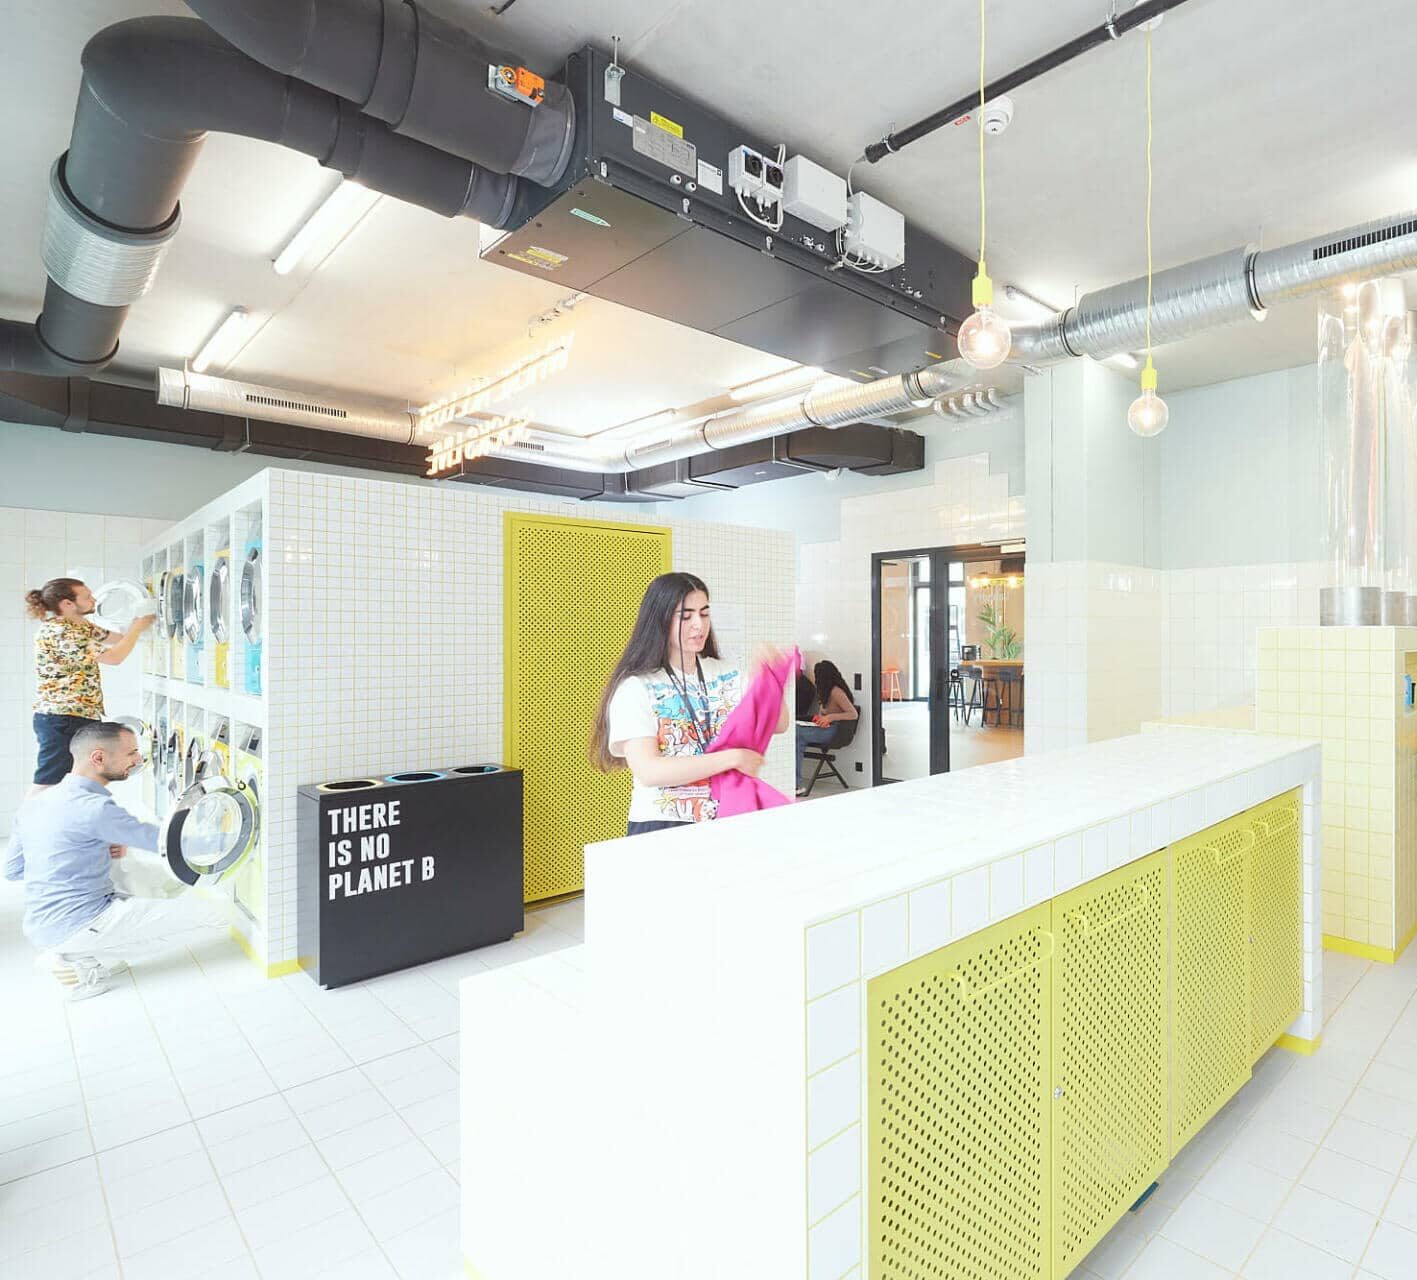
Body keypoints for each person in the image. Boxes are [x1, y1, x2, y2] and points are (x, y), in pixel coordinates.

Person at [4, 721, 230, 1001]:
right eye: (131, 753)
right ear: (98, 758)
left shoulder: (36, 803)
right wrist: (230, 839)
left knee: (124, 862)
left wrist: (76, 849)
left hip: (41, 923)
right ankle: (81, 959)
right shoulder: (94, 808)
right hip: (82, 921)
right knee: (217, 916)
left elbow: (12, 870)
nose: (139, 760)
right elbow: (163, 842)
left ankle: (85, 951)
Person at [590, 572, 789, 835]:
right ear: (660, 620)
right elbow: (649, 770)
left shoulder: (727, 673)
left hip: (728, 815)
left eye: (704, 614)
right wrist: (732, 758)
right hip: (664, 823)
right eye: (686, 616)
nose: (699, 625)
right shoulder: (636, 688)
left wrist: (769, 679)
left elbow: (779, 724)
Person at [25, 577, 153, 798]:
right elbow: (114, 657)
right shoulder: (60, 632)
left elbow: (117, 639)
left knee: (78, 778)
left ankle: (66, 825)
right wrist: (137, 627)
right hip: (61, 718)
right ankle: (26, 828)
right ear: (67, 604)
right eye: (86, 596)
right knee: (50, 780)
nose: (93, 599)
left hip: (76, 715)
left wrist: (141, 623)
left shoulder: (80, 625)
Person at [795, 660, 859, 796]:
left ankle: (796, 783)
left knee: (796, 733)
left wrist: (831, 717)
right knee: (796, 737)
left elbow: (853, 714)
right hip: (824, 728)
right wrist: (819, 718)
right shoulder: (824, 692)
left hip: (833, 731)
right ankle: (795, 784)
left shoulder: (836, 692)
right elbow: (823, 713)